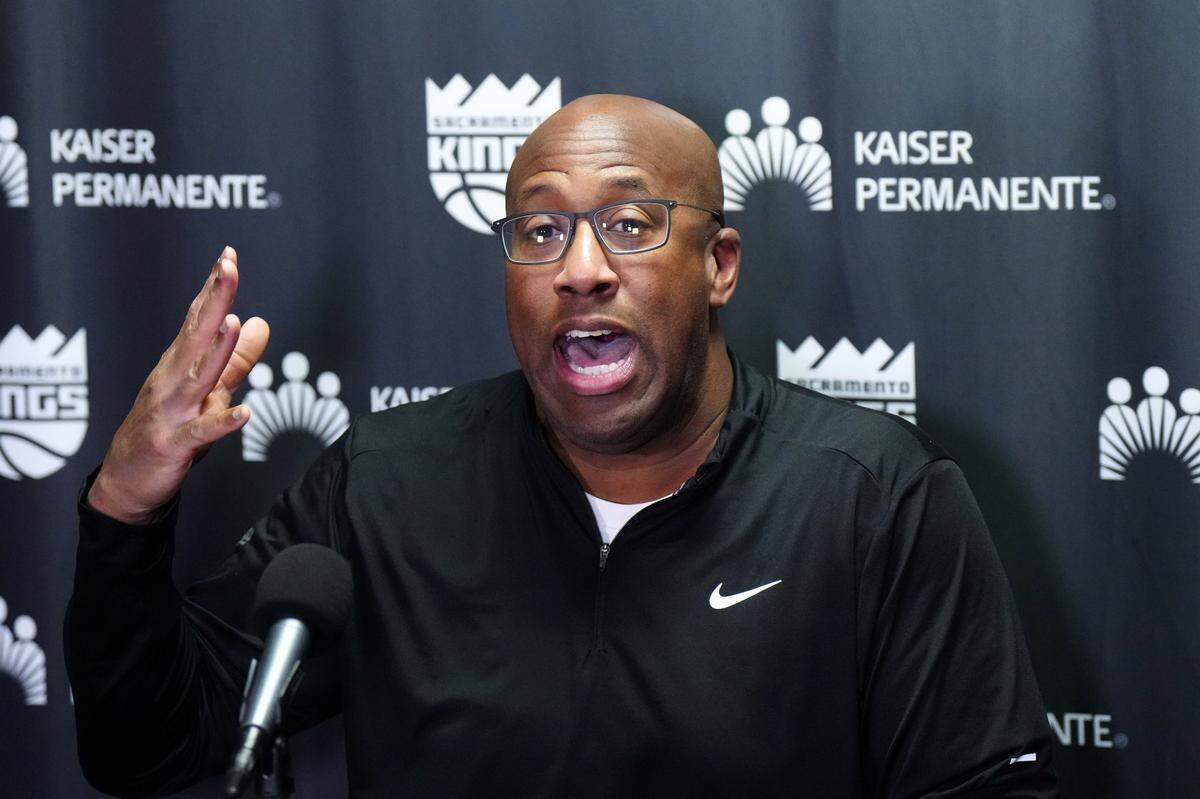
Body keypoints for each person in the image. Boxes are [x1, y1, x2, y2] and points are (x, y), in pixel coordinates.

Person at [65, 95, 1058, 797]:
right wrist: (124, 505)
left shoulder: (875, 498)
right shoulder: (383, 486)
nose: (578, 268)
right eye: (538, 232)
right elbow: (146, 747)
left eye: (629, 224)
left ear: (719, 264)